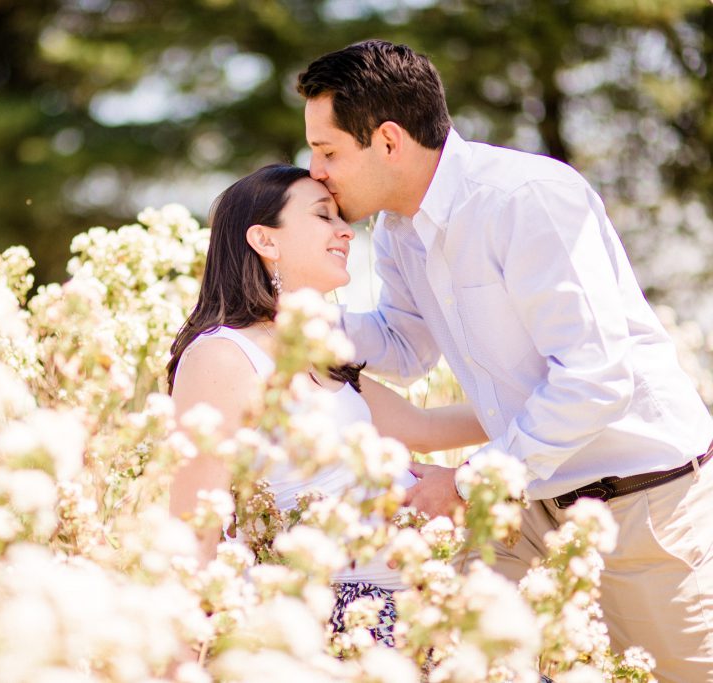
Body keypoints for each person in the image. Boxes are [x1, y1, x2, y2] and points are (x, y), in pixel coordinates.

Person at [296, 38, 713, 681]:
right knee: (452, 655)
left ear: (387, 140)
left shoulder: (526, 199)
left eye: (327, 152)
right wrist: (285, 323)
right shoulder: (400, 230)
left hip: (642, 507)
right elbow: (405, 346)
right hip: (527, 498)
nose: (316, 171)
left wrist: (465, 483)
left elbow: (597, 379)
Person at [166, 163, 487, 646]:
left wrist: (545, 401)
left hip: (421, 613)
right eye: (324, 217)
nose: (346, 232)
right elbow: (195, 527)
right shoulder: (224, 355)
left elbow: (425, 426)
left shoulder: (320, 353)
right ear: (265, 241)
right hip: (336, 623)